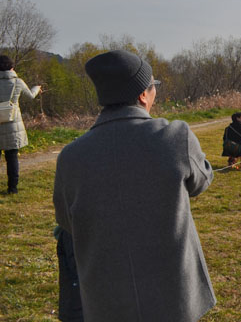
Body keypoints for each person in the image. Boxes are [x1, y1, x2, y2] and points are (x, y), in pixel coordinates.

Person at [52, 50, 215, 321]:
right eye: (153, 88)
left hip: (104, 299)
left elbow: (65, 220)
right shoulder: (176, 136)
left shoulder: (70, 155)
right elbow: (200, 182)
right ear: (142, 94)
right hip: (173, 298)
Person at [0, 54, 41, 194]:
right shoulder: (18, 82)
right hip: (13, 124)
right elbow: (30, 96)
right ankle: (12, 188)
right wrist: (37, 88)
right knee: (12, 157)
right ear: (12, 67)